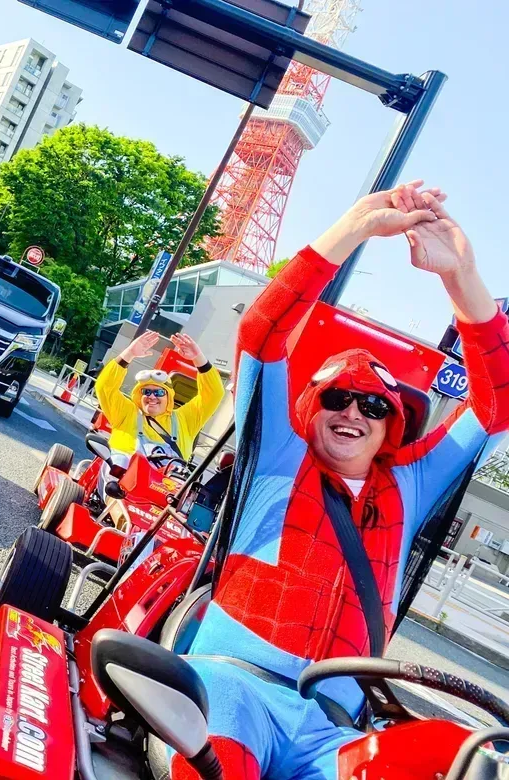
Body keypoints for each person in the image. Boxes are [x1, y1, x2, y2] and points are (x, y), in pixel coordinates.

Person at [166, 182, 509, 780]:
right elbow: (262, 333)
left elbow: (496, 405)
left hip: (333, 731)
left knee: (462, 761)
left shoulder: (411, 485)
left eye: (373, 405)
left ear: (392, 424)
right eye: (338, 397)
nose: (354, 412)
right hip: (231, 688)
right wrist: (354, 227)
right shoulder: (279, 454)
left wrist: (462, 277)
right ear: (309, 407)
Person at [96, 330, 224, 465]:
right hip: (120, 478)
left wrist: (198, 358)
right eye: (146, 391)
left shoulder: (185, 420)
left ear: (169, 397)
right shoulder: (126, 412)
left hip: (166, 479)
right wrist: (129, 353)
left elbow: (214, 393)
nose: (151, 396)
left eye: (159, 393)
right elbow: (104, 387)